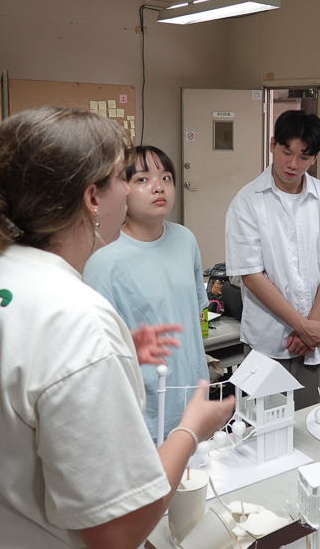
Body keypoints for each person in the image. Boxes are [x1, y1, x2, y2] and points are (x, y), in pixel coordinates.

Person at [0, 107, 234, 549]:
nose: (132, 188)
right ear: (93, 198)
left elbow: (23, 375)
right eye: (122, 177)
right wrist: (190, 428)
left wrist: (109, 356)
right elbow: (117, 534)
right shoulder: (74, 319)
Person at [225, 110, 320, 409]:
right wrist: (301, 326)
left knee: (314, 422)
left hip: (316, 339)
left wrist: (311, 326)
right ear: (272, 145)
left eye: (304, 157)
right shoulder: (247, 202)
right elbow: (251, 275)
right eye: (286, 152)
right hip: (268, 339)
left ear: (315, 157)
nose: (293, 164)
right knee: (265, 424)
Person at [85, 145, 209, 440]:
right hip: (147, 407)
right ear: (121, 190)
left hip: (194, 393)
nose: (158, 187)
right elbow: (100, 349)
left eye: (166, 178)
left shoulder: (185, 239)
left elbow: (196, 313)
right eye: (143, 179)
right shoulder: (103, 260)